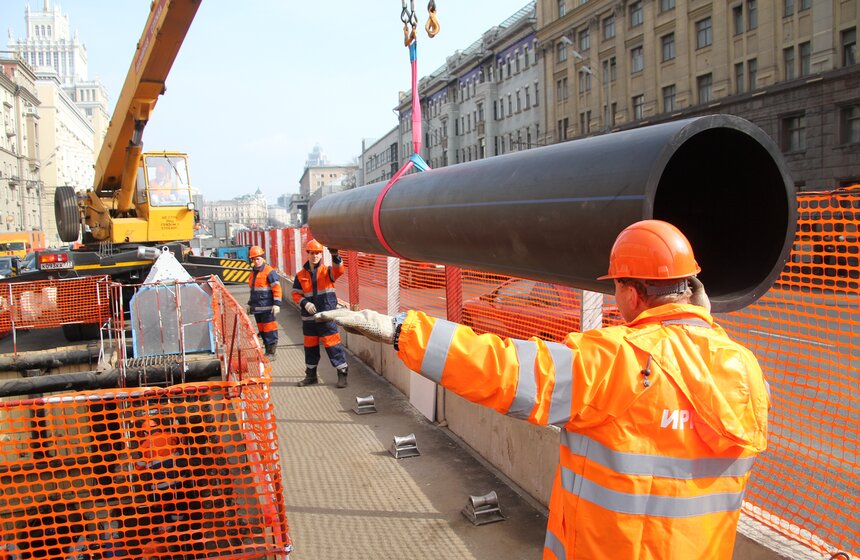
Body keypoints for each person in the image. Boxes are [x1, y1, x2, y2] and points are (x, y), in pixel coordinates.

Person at [316, 220, 770, 559]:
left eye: (616, 288)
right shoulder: (744, 369)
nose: (615, 299)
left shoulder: (617, 359)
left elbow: (503, 369)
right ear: (690, 289)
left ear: (633, 292)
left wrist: (401, 331)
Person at [292, 239, 349, 388]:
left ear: (321, 255)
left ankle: (342, 373)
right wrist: (305, 303)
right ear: (307, 254)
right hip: (309, 319)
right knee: (310, 348)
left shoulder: (328, 271)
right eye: (312, 253)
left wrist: (335, 255)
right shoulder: (300, 275)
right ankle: (311, 376)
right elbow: (295, 294)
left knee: (333, 346)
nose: (315, 256)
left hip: (326, 317)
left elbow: (339, 270)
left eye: (318, 253)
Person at [247, 245, 282, 360]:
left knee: (270, 331)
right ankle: (267, 352)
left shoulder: (269, 271)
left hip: (267, 309)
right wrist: (250, 304)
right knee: (262, 331)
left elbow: (276, 288)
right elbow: (253, 291)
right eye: (254, 259)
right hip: (258, 309)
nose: (256, 261)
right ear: (251, 260)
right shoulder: (253, 273)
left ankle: (271, 353)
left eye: (258, 258)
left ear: (262, 258)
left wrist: (277, 304)